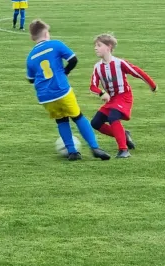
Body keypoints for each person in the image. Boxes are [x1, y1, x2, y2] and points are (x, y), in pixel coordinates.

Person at [26, 20, 111, 161]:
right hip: (61, 90)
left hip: (45, 96)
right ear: (47, 33)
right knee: (78, 117)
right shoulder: (56, 45)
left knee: (61, 120)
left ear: (32, 38)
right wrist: (64, 72)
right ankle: (95, 147)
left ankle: (72, 152)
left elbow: (30, 79)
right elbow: (73, 60)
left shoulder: (31, 57)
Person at [89, 34, 157, 158]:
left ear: (109, 47)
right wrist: (101, 93)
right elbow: (92, 86)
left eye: (99, 45)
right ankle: (123, 134)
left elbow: (137, 72)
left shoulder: (119, 63)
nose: (95, 48)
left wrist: (152, 85)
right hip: (112, 100)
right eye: (95, 46)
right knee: (95, 123)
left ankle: (123, 150)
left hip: (124, 96)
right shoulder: (97, 67)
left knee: (113, 117)